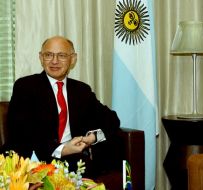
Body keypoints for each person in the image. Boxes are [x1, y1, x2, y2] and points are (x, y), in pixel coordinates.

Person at [3, 36, 120, 178]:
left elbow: (112, 120)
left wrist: (93, 138)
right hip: (36, 161)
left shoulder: (81, 90)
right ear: (41, 57)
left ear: (73, 59)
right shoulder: (25, 86)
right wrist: (62, 149)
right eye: (48, 55)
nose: (54, 61)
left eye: (62, 55)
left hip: (74, 163)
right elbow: (22, 133)